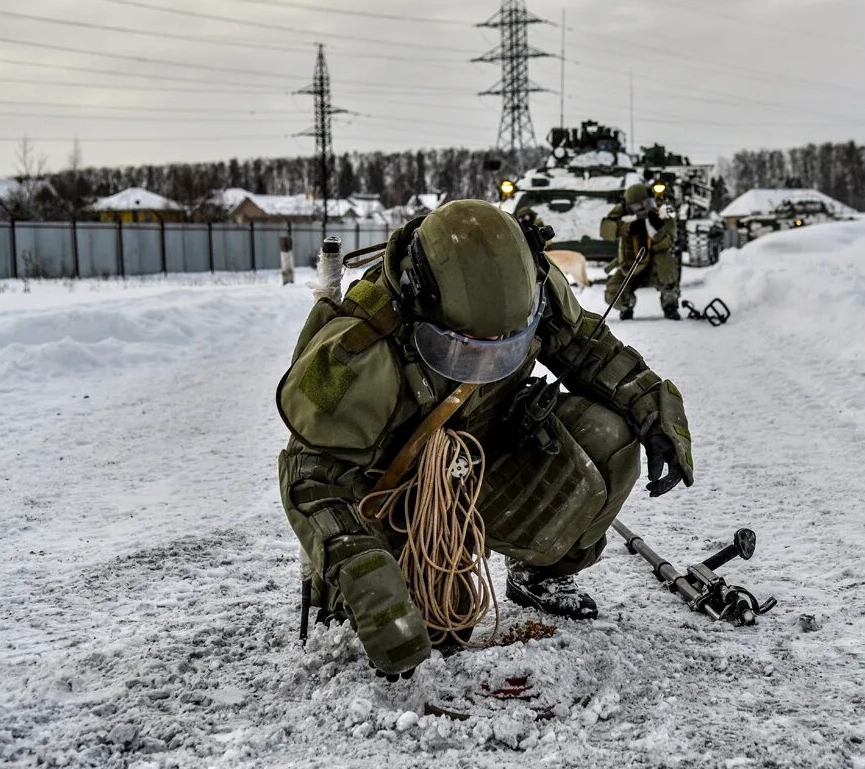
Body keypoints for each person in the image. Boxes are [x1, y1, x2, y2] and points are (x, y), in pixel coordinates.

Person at [276, 200, 694, 677]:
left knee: (608, 438)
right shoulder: (356, 353)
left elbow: (586, 346)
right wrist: (365, 576)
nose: (489, 363)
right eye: (467, 350)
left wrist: (654, 408)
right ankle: (373, 590)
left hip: (480, 463)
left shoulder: (531, 284)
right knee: (433, 633)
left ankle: (539, 576)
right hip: (392, 501)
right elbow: (310, 479)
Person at [599, 183, 681, 320]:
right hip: (631, 264)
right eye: (637, 206)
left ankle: (670, 303)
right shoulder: (622, 210)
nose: (642, 208)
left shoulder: (663, 210)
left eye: (646, 204)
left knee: (666, 263)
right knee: (612, 293)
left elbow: (670, 240)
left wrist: (657, 230)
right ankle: (627, 305)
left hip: (655, 263)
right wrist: (628, 228)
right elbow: (605, 229)